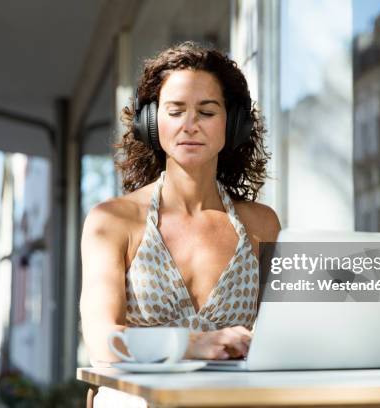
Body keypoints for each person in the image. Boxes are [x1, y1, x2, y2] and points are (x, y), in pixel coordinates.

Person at [80, 41, 281, 375]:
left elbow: (285, 336)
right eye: (175, 111)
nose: (190, 125)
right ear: (151, 123)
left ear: (233, 125)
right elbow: (102, 341)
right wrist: (190, 344)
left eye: (206, 112)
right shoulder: (113, 221)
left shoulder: (261, 224)